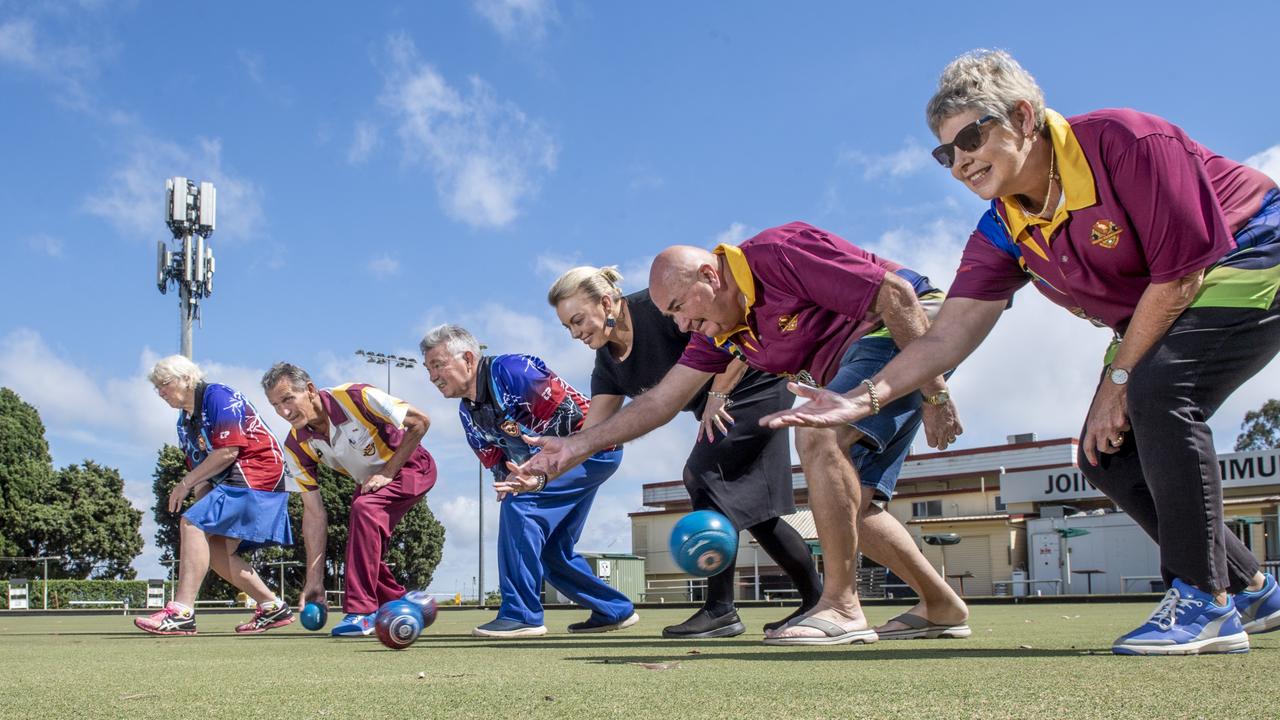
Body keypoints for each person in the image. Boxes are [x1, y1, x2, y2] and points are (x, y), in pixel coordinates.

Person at [763, 49, 1280, 655]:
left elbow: (1181, 277)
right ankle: (1251, 586)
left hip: (1248, 253)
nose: (958, 163)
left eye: (971, 138)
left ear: (1023, 118)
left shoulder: (1125, 140)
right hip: (1162, 302)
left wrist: (1118, 380)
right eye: (944, 153)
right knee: (1106, 456)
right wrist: (859, 400)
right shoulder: (1001, 227)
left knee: (1157, 392)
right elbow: (948, 333)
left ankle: (1204, 600)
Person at [509, 224, 968, 645]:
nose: (681, 325)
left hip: (907, 327)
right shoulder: (709, 330)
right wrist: (563, 453)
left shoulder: (774, 254)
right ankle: (941, 605)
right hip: (852, 364)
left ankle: (840, 607)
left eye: (680, 309)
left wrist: (935, 394)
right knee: (855, 508)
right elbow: (660, 402)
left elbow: (897, 293)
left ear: (710, 275)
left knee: (817, 435)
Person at [548, 265, 823, 637]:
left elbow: (735, 329)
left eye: (579, 320)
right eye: (568, 327)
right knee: (754, 512)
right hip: (720, 401)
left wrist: (718, 392)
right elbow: (593, 433)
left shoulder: (657, 308)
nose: (576, 333)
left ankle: (721, 610)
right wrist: (541, 470)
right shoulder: (608, 363)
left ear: (607, 301)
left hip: (755, 383)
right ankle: (816, 601)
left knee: (703, 476)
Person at [421, 324, 638, 639]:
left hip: (592, 449)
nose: (432, 376)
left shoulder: (512, 371)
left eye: (438, 365)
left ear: (468, 358)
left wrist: (525, 479)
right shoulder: (468, 414)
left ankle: (521, 614)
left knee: (521, 504)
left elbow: (567, 418)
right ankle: (614, 609)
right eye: (428, 369)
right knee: (552, 550)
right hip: (559, 465)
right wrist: (508, 479)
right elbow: (496, 462)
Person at [262, 363, 437, 637]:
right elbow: (314, 513)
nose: (283, 412)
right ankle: (402, 603)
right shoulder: (296, 445)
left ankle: (362, 612)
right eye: (275, 405)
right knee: (363, 543)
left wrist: (388, 473)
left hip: (412, 466)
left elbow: (420, 422)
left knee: (363, 508)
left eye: (288, 399)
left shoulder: (357, 397)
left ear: (309, 390)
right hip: (370, 483)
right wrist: (314, 579)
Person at [135, 355, 297, 636]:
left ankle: (181, 613)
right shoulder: (184, 424)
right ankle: (272, 607)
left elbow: (228, 451)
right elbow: (202, 475)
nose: (160, 392)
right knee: (217, 550)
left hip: (257, 472)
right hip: (233, 477)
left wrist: (186, 492)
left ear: (186, 379)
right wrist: (198, 512)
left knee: (192, 523)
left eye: (164, 384)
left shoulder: (218, 396)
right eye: (156, 388)